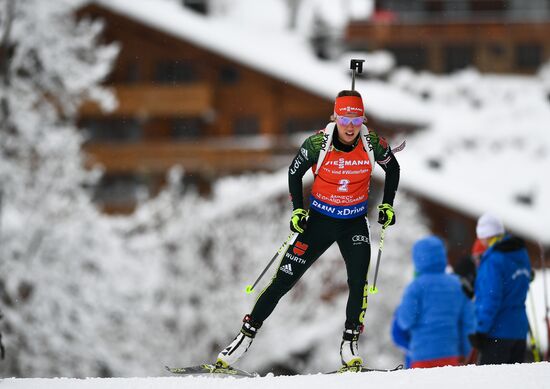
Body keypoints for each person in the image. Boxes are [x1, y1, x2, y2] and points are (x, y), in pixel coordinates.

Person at [216, 89, 400, 370]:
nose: (350, 126)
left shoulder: (373, 143)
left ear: (362, 120)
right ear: (335, 117)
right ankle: (243, 338)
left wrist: (387, 205)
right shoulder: (317, 144)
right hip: (319, 221)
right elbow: (294, 172)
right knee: (283, 281)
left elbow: (393, 168)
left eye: (356, 119)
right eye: (344, 118)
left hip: (353, 222)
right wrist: (298, 210)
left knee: (358, 282)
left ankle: (349, 345)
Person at [395, 235, 475, 368]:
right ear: (442, 256)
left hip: (421, 357)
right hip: (450, 356)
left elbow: (404, 321)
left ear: (417, 258)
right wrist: (464, 352)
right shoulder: (457, 285)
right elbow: (468, 324)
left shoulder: (415, 287)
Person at [469, 213, 532, 365]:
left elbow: (491, 298)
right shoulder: (521, 254)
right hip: (519, 331)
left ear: (485, 235)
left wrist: (480, 330)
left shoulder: (493, 260)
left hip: (498, 332)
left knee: (491, 383)